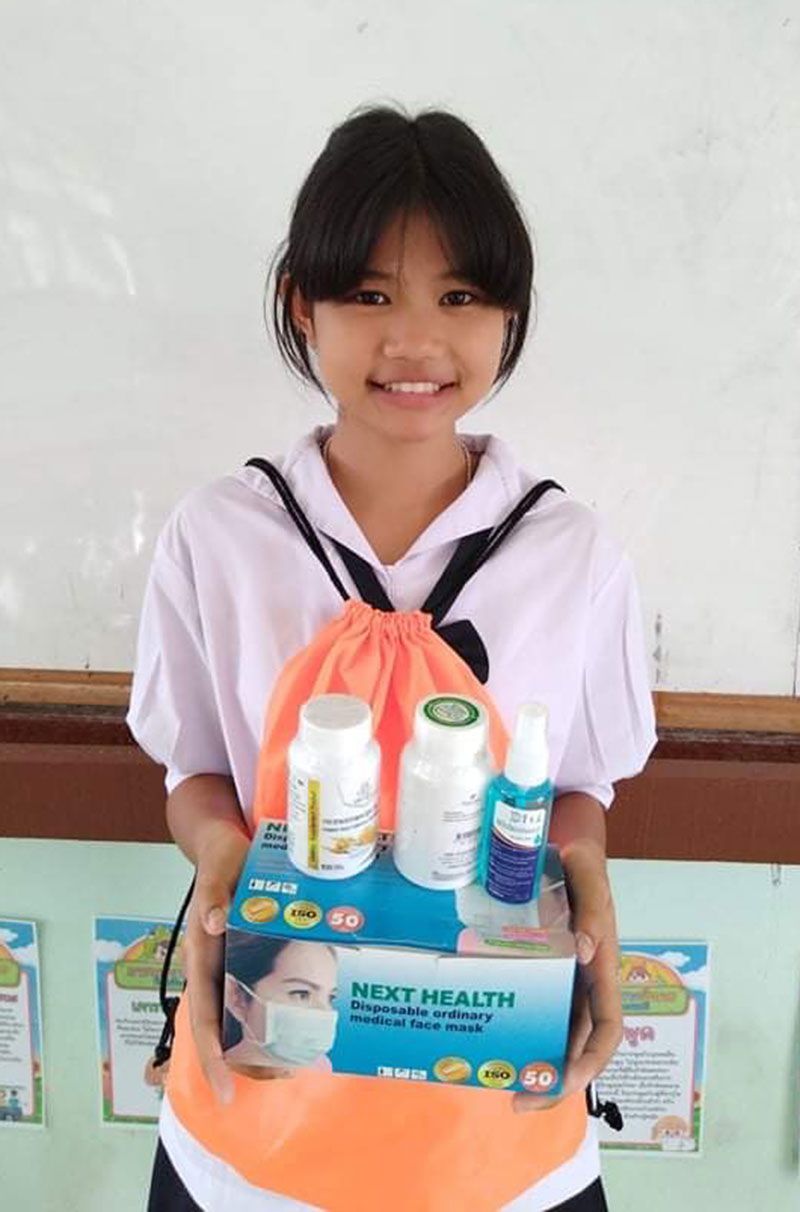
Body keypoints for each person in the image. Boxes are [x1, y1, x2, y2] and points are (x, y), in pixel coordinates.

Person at [128, 103, 657, 1211]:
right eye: (369, 296)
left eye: (459, 298)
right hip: (253, 1132)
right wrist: (220, 851)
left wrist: (590, 881)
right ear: (301, 305)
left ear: (509, 314)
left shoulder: (573, 553)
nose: (415, 342)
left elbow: (574, 791)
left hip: (498, 1133)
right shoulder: (219, 536)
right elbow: (195, 770)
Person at [223, 935, 338, 1070]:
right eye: (302, 994)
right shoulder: (209, 1068)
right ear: (236, 997)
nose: (324, 1011)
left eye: (330, 997)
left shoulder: (322, 1069)